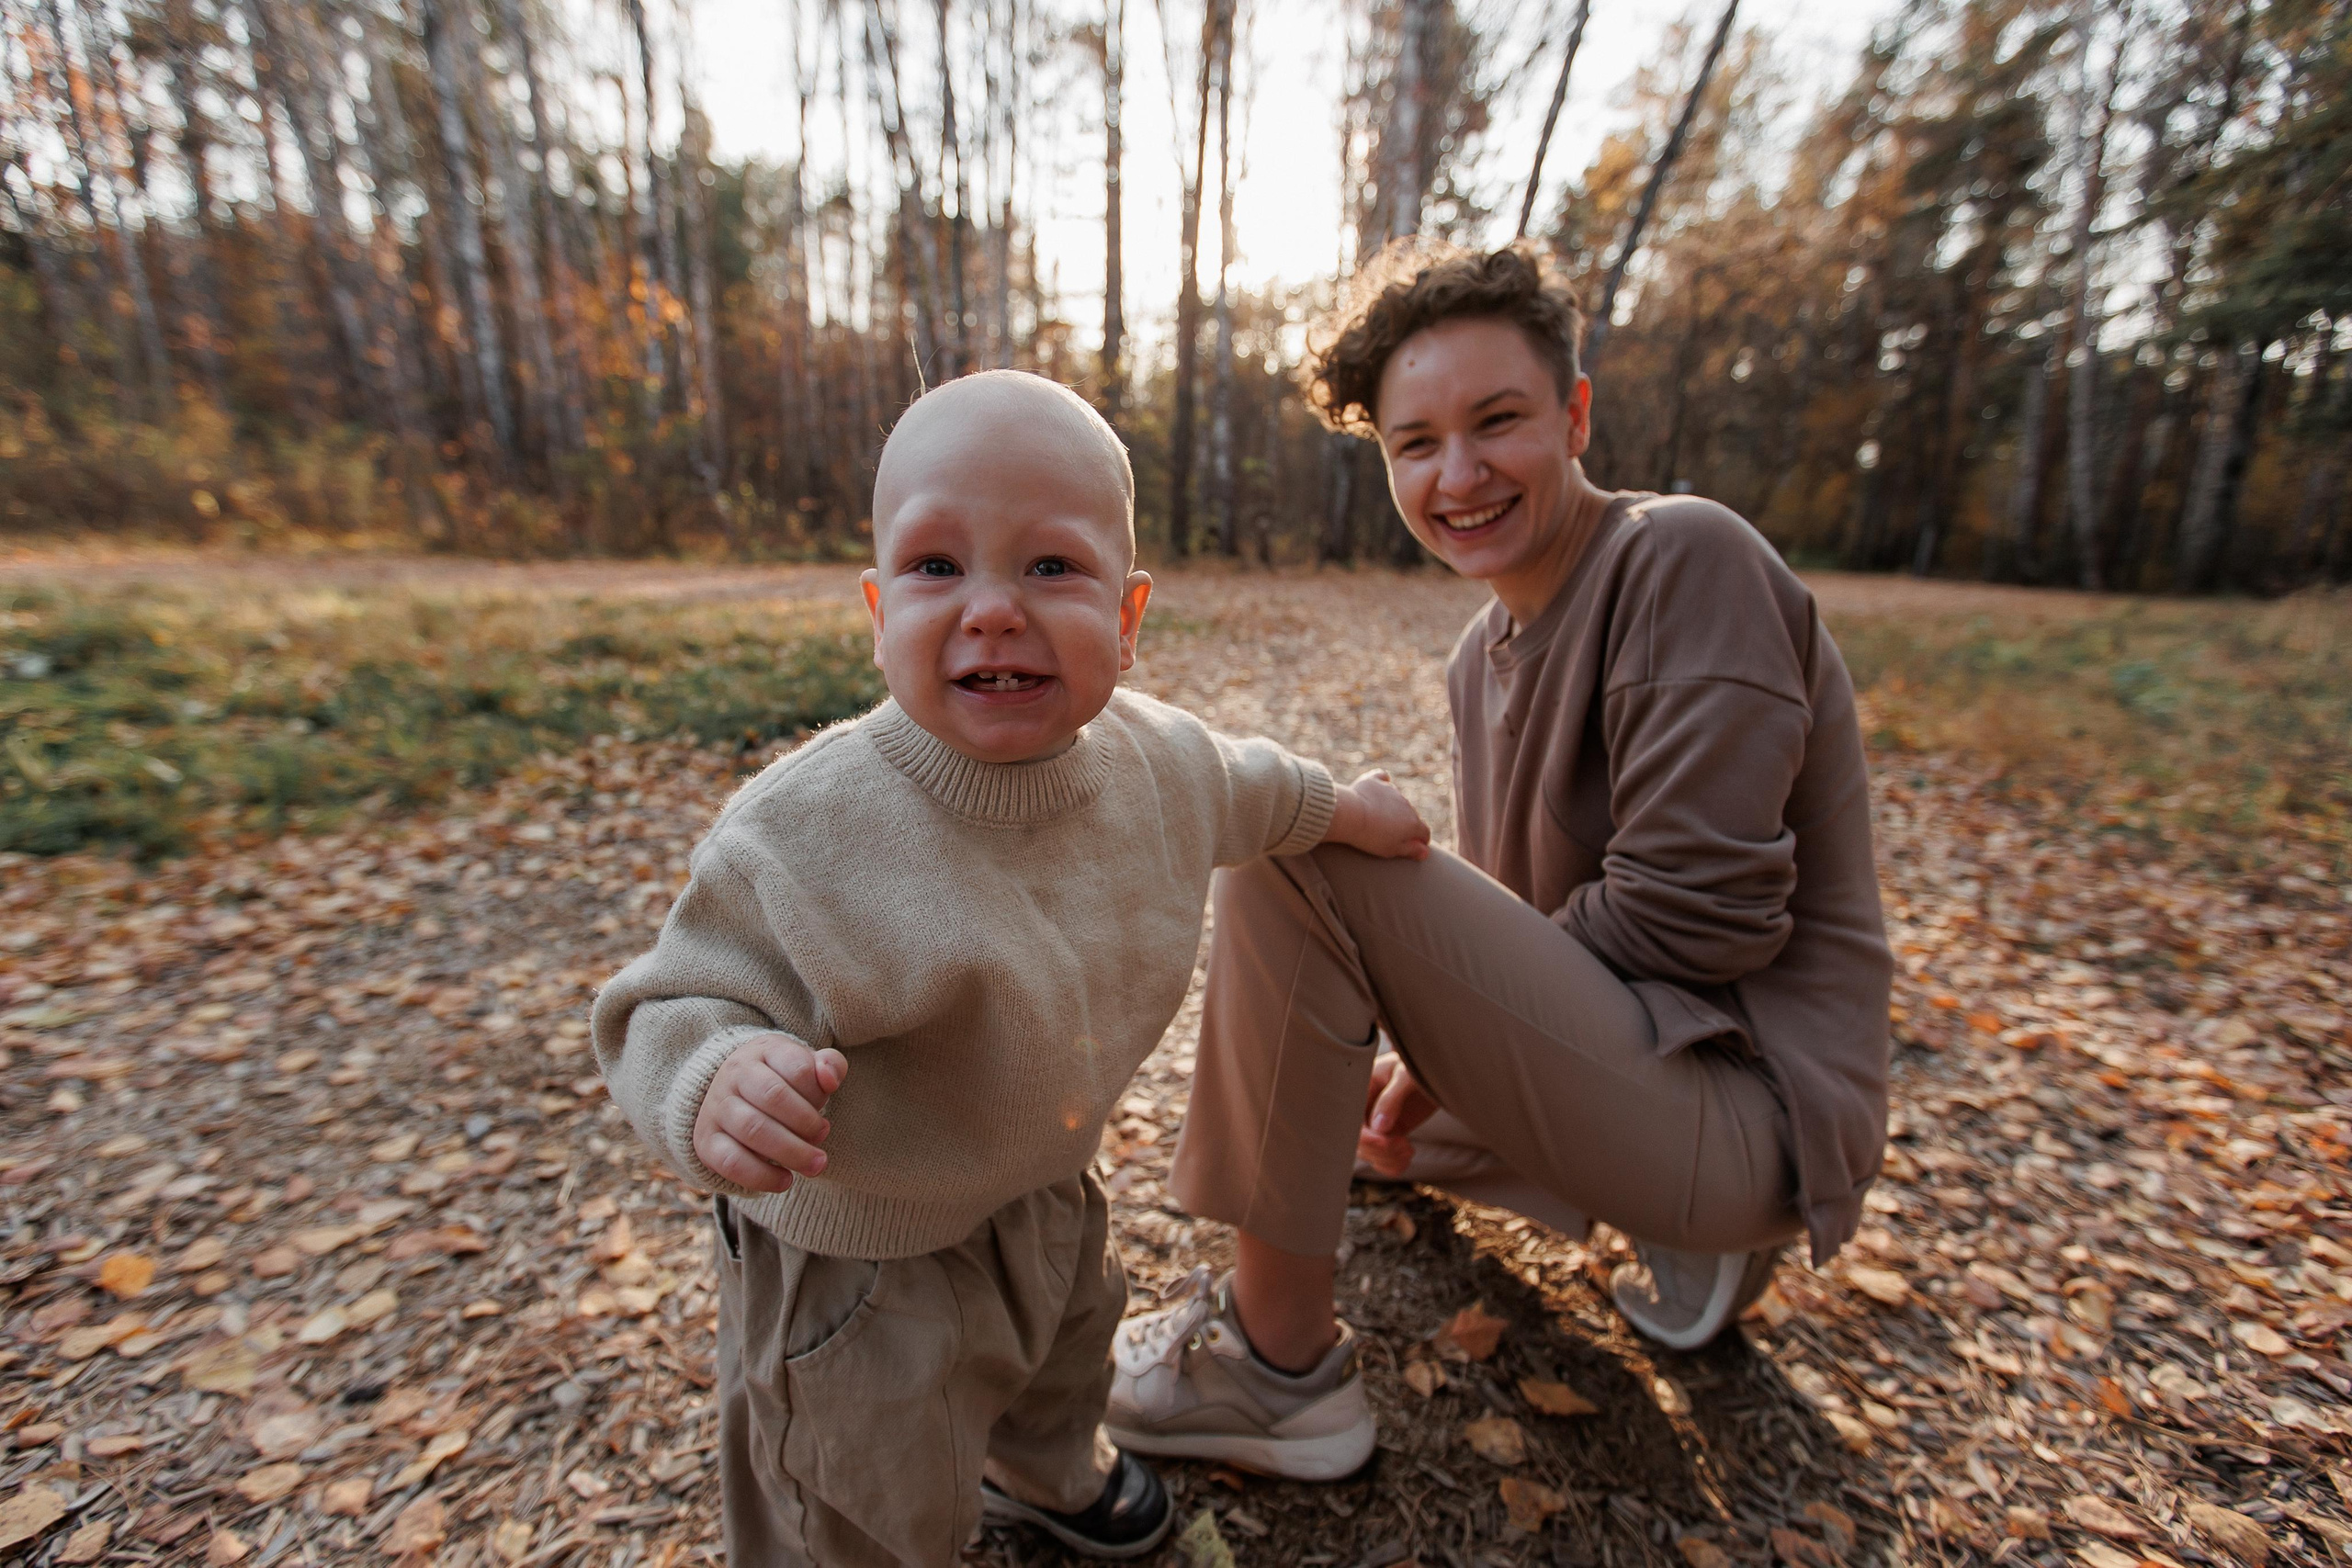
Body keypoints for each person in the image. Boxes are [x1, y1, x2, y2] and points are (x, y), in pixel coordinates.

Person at [589, 370, 1432, 1564]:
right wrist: (716, 1074)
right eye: (939, 567)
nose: (992, 609)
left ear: (1130, 617)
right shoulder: (805, 830)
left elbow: (1249, 787)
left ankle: (1046, 1473)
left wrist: (1345, 808)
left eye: (1050, 568)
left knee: (1065, 1351)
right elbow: (670, 999)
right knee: (865, 1478)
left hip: (1039, 1184)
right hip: (858, 1250)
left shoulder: (1157, 763)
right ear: (878, 611)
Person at [1104, 242, 1894, 1480]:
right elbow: (1529, 925)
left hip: (1748, 1099)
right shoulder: (1486, 653)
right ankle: (1681, 1231)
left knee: (1299, 850)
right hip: (1649, 1063)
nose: (1457, 474)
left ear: (1576, 415)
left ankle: (1276, 1371)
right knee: (1340, 1137)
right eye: (1416, 442)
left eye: (1498, 421)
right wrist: (1416, 1063)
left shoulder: (1684, 558)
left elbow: (1701, 919)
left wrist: (1438, 1058)